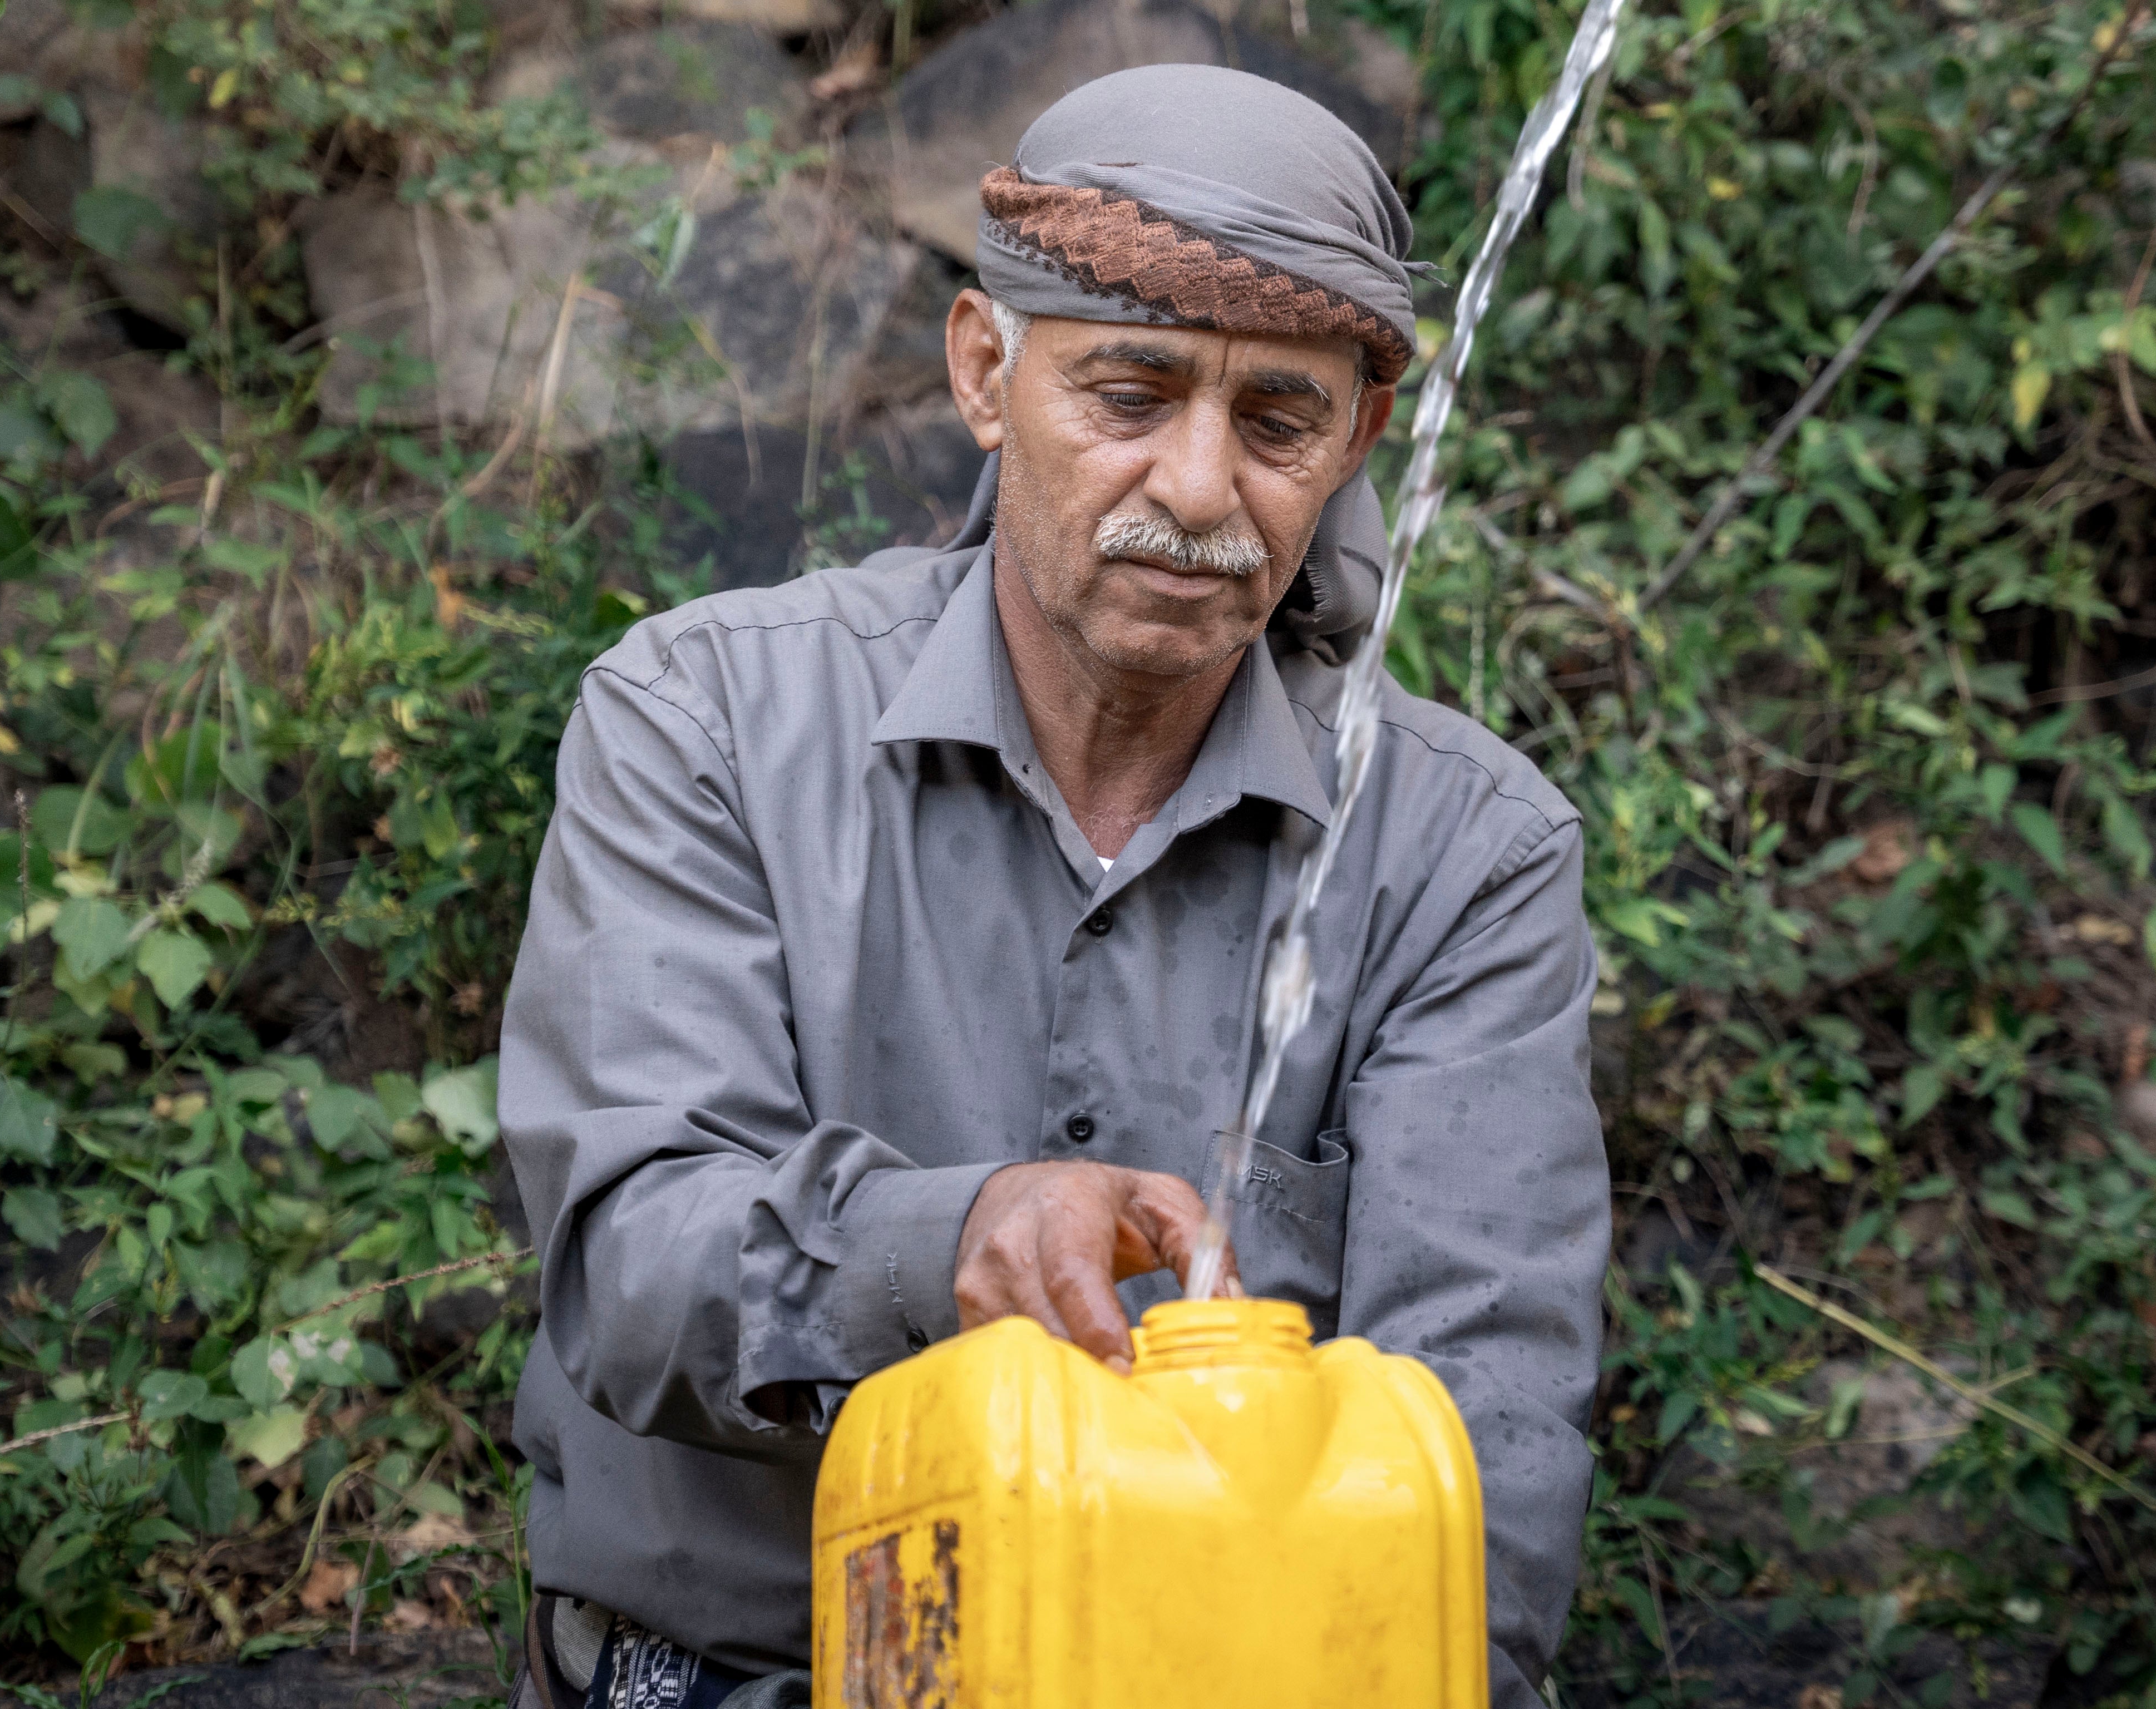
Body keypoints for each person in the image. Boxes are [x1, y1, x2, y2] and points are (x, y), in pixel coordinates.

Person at [498, 61, 1609, 1709]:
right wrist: (953, 1236)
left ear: (1360, 440)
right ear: (982, 371)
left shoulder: (1464, 855)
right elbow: (631, 1264)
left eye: (1279, 422)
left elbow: (1480, 1439)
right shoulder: (709, 721)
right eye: (1131, 394)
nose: (1198, 488)